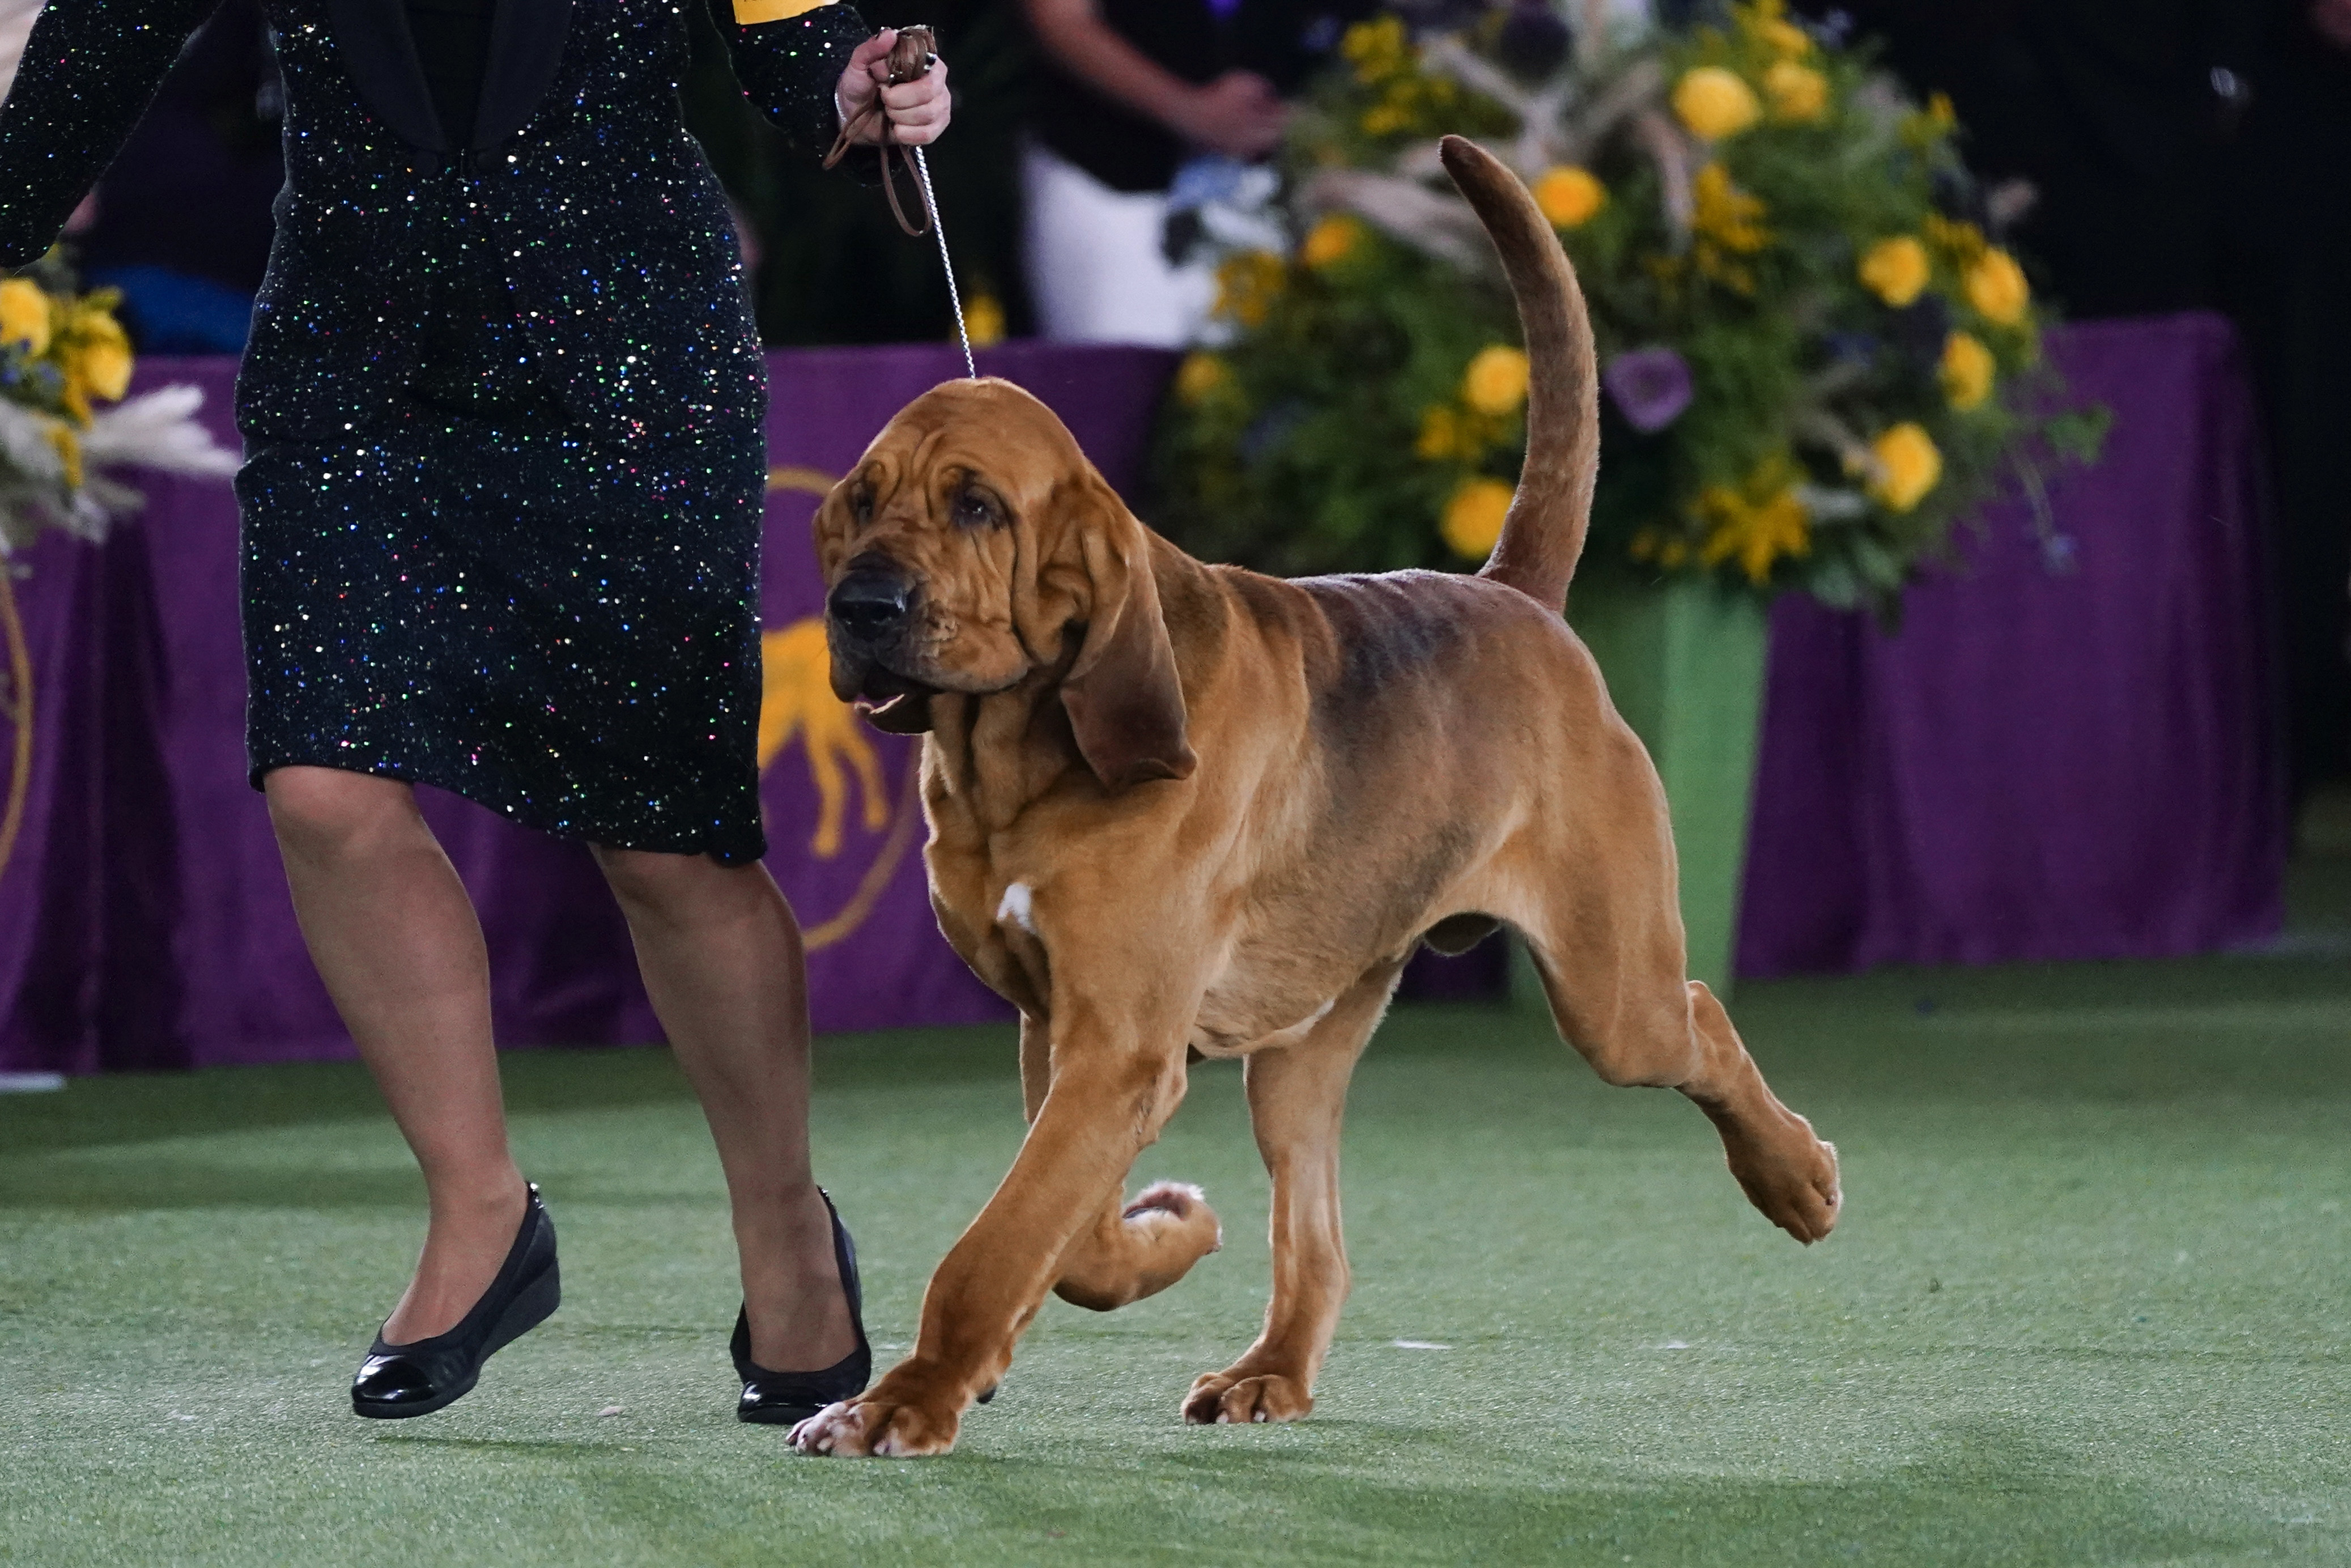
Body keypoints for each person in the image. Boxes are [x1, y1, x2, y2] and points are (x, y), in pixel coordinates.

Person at [0, 0, 947, 1423]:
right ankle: (480, 1212)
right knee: (321, 782)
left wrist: (861, 82)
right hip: (354, 356)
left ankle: (785, 1231)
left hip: (626, 350)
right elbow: (103, 43)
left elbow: (788, 28)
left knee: (668, 846)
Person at [1020, 0, 1370, 346]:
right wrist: (1190, 111)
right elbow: (1060, 18)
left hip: (1289, 184)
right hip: (1116, 188)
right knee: (1126, 382)